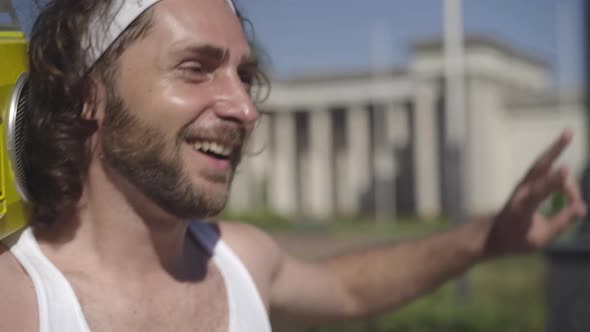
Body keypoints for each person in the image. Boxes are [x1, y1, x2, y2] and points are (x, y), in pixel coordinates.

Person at [0, 0, 586, 331]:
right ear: (88, 96)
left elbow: (347, 289)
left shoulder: (240, 259)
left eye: (244, 75)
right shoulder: (20, 303)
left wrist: (487, 236)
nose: (245, 108)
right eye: (196, 68)